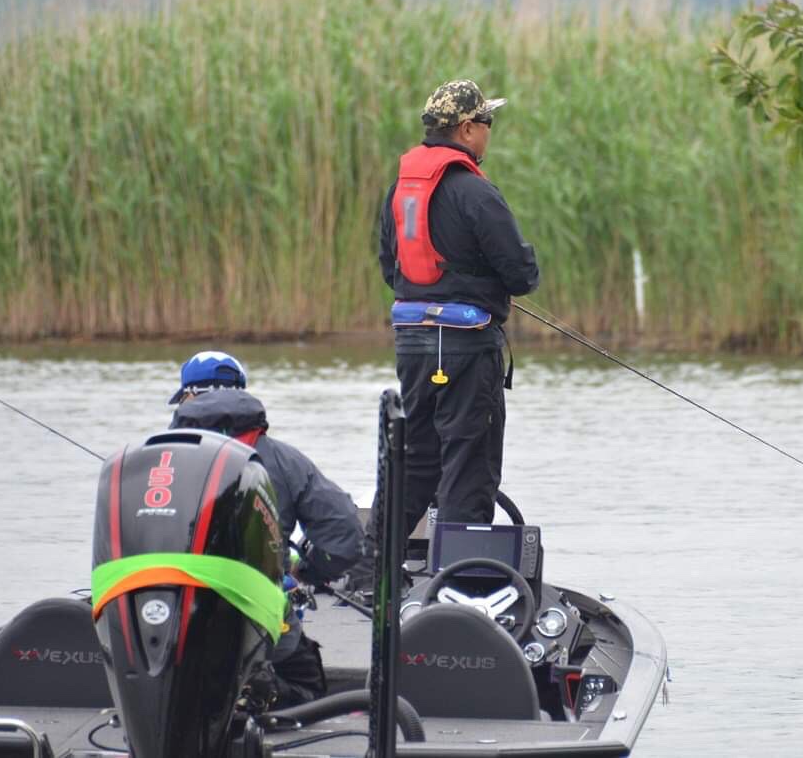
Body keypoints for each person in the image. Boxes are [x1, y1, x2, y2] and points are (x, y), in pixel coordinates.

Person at [377, 79, 539, 539]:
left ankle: (372, 570)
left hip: (413, 345)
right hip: (467, 349)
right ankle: (458, 584)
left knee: (420, 461)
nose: (490, 130)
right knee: (471, 464)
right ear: (467, 129)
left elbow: (392, 268)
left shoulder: (400, 191)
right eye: (487, 122)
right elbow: (522, 275)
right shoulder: (475, 192)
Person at [166, 350, 365, 706]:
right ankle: (255, 692)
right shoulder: (285, 460)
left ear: (189, 399)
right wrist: (306, 571)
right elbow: (345, 536)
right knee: (308, 685)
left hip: (169, 619)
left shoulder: (160, 460)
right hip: (257, 618)